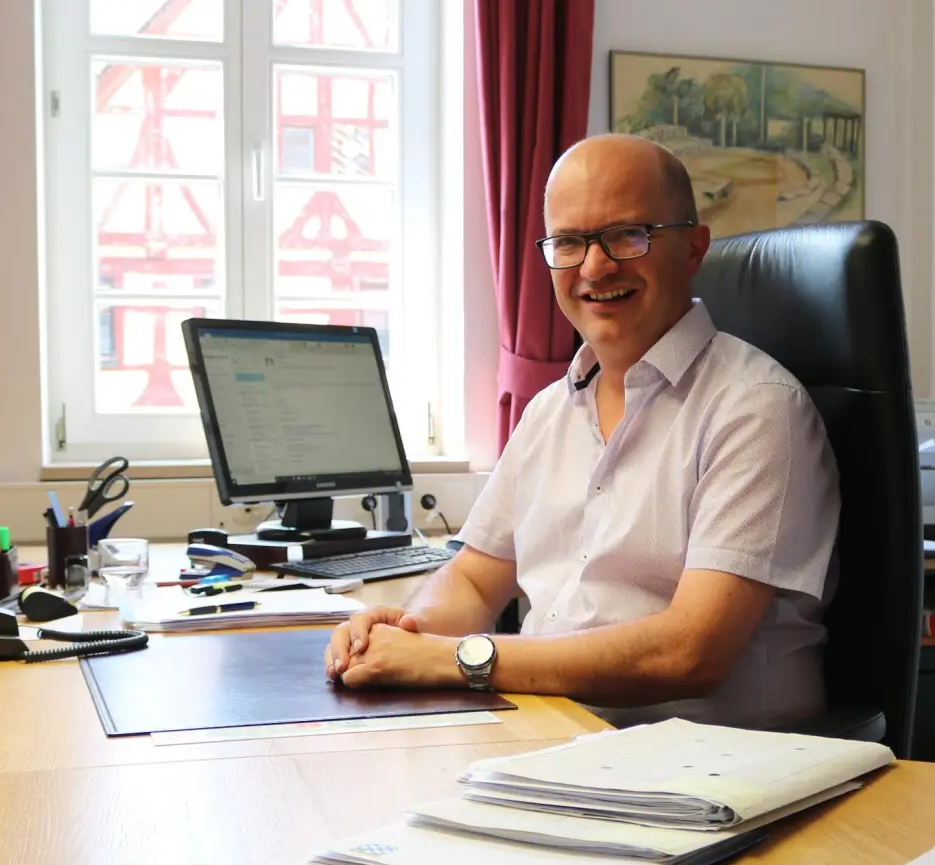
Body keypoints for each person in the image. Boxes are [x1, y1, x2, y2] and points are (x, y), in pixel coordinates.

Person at [322, 133, 840, 730]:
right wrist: (402, 633)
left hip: (701, 764)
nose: (595, 267)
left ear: (693, 248)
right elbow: (472, 577)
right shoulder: (549, 411)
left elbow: (691, 654)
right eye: (569, 242)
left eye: (627, 235)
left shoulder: (756, 409)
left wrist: (457, 658)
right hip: (549, 730)